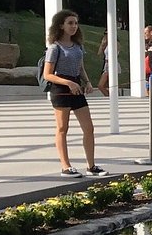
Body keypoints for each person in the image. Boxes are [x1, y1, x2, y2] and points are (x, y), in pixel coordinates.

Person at [42, 9, 107, 177]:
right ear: (61, 25)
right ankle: (66, 166)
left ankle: (91, 166)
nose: (74, 26)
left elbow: (80, 67)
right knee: (63, 128)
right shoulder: (55, 48)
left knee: (88, 128)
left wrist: (87, 82)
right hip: (61, 89)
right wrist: (68, 82)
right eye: (70, 23)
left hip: (76, 88)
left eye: (76, 23)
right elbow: (47, 74)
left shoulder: (78, 46)